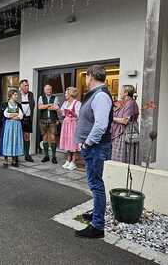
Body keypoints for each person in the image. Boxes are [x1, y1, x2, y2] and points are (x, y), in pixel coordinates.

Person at [75, 65, 113, 239]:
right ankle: (96, 213)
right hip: (93, 147)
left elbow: (100, 125)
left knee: (96, 185)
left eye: (86, 76)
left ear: (90, 76)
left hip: (95, 147)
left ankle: (97, 226)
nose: (86, 79)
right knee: (94, 183)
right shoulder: (97, 95)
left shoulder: (101, 96)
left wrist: (87, 144)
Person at [111, 85, 139, 164]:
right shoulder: (125, 103)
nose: (120, 92)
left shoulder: (131, 103)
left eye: (121, 91)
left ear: (126, 93)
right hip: (120, 134)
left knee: (122, 161)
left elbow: (125, 121)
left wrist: (111, 118)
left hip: (125, 134)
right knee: (117, 160)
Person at [0, 89, 24, 168]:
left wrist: (13, 116)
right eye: (15, 95)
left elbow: (21, 116)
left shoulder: (18, 105)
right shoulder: (5, 104)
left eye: (17, 95)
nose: (17, 96)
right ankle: (6, 160)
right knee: (7, 141)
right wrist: (14, 115)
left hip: (17, 126)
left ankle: (14, 160)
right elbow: (5, 114)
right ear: (10, 95)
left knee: (15, 141)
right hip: (8, 126)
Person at [59, 87, 81, 171]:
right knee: (67, 141)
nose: (65, 95)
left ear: (71, 94)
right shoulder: (65, 103)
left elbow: (79, 115)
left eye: (66, 93)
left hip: (73, 124)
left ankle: (73, 161)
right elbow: (62, 113)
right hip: (66, 123)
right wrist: (58, 109)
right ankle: (68, 160)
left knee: (73, 142)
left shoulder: (77, 103)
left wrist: (73, 113)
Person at [38, 84, 59, 164]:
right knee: (45, 137)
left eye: (50, 89)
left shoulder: (55, 97)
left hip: (52, 120)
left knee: (53, 138)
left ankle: (54, 156)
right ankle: (46, 156)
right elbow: (40, 107)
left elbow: (55, 107)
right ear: (44, 90)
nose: (49, 91)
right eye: (47, 89)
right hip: (43, 120)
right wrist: (49, 105)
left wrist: (45, 106)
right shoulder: (41, 97)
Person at [18, 79, 35, 162]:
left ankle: (27, 155)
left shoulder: (31, 94)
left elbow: (33, 105)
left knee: (27, 136)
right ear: (21, 86)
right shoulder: (17, 94)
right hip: (19, 118)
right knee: (17, 136)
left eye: (28, 85)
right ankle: (16, 155)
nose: (27, 87)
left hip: (28, 118)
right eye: (25, 85)